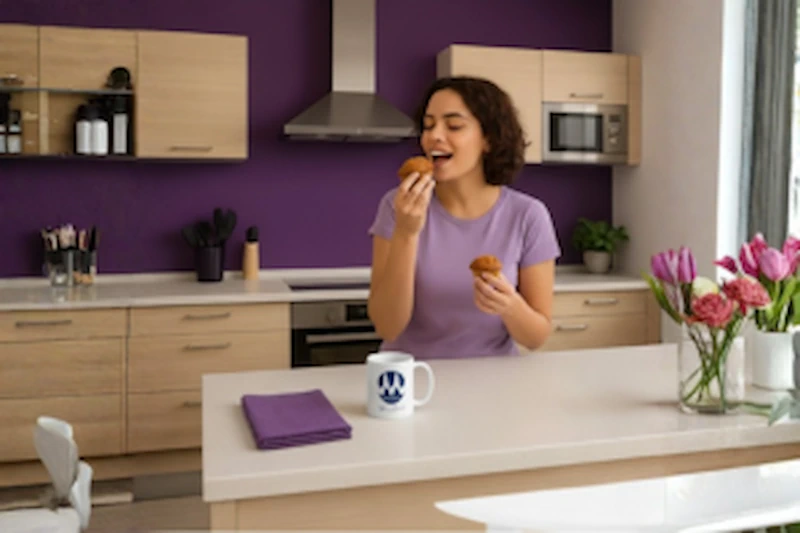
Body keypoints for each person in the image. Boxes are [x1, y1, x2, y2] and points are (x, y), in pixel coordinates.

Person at [367, 76, 561, 360]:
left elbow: (536, 338)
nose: (434, 136)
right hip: (412, 382)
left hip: (493, 383)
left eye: (454, 125)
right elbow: (387, 327)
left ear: (489, 140)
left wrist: (510, 306)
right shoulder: (397, 206)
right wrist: (406, 233)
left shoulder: (528, 216)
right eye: (429, 125)